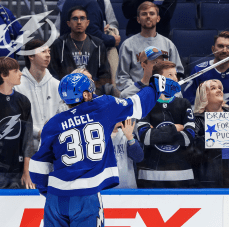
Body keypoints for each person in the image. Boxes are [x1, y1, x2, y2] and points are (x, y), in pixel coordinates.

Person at [29, 72, 180, 225]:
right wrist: (155, 87)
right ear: (86, 95)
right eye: (90, 91)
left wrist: (47, 192)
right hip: (86, 196)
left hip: (55, 198)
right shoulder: (104, 106)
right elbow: (138, 105)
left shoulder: (52, 124)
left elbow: (38, 165)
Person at [136, 60, 195, 188]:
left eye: (175, 74)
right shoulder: (145, 103)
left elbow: (188, 138)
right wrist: (175, 128)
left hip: (182, 175)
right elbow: (145, 137)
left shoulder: (184, 103)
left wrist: (156, 134)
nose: (175, 78)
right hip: (150, 176)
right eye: (170, 75)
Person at [0, 57, 35, 189]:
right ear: (4, 75)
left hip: (18, 168)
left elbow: (28, 139)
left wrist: (27, 171)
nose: (21, 73)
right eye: (16, 70)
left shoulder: (23, 101)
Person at [183, 31, 229, 126]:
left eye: (228, 47)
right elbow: (189, 103)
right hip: (204, 126)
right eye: (220, 46)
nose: (224, 50)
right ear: (213, 49)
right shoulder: (199, 70)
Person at [116, 1, 184, 92]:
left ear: (158, 18)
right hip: (138, 94)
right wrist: (141, 90)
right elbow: (122, 77)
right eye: (144, 14)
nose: (148, 16)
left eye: (152, 14)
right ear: (138, 19)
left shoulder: (168, 44)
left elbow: (178, 73)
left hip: (164, 93)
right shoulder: (128, 45)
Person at [49, 6, 112, 90]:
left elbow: (105, 75)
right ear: (68, 23)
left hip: (92, 92)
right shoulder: (59, 44)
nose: (79, 22)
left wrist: (93, 89)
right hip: (67, 92)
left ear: (87, 22)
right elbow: (53, 74)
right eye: (75, 19)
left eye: (82, 18)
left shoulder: (98, 44)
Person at [14, 39, 61, 151]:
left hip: (54, 146)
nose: (48, 55)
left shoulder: (57, 85)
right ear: (31, 56)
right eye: (43, 52)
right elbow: (16, 118)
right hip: (25, 148)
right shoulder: (17, 86)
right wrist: (38, 133)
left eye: (49, 52)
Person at [112, 119, 144, 189]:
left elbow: (139, 158)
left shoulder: (126, 133)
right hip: (107, 189)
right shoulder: (100, 137)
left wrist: (130, 138)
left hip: (128, 188)